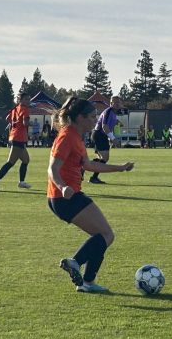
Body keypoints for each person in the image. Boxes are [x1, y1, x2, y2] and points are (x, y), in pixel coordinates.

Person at [48, 96, 136, 294]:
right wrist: (62, 187)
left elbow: (88, 165)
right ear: (80, 117)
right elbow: (52, 169)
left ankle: (87, 282)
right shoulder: (66, 136)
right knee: (106, 234)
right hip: (64, 197)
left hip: (69, 196)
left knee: (103, 236)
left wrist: (120, 168)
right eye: (92, 116)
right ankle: (76, 264)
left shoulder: (76, 136)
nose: (95, 120)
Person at [0, 91, 33, 190]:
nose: (28, 101)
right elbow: (25, 123)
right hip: (19, 137)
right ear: (21, 100)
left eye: (29, 99)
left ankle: (21, 182)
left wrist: (15, 124)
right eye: (26, 99)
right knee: (11, 162)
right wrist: (30, 124)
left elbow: (7, 118)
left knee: (26, 160)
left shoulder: (15, 108)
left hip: (15, 136)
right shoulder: (25, 109)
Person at [89, 96, 125, 184]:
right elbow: (104, 126)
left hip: (101, 135)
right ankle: (86, 170)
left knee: (103, 158)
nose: (117, 104)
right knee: (105, 158)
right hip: (99, 135)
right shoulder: (109, 111)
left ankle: (89, 173)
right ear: (111, 103)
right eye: (115, 103)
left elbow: (109, 125)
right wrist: (113, 139)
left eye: (118, 103)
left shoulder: (113, 113)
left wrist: (117, 123)